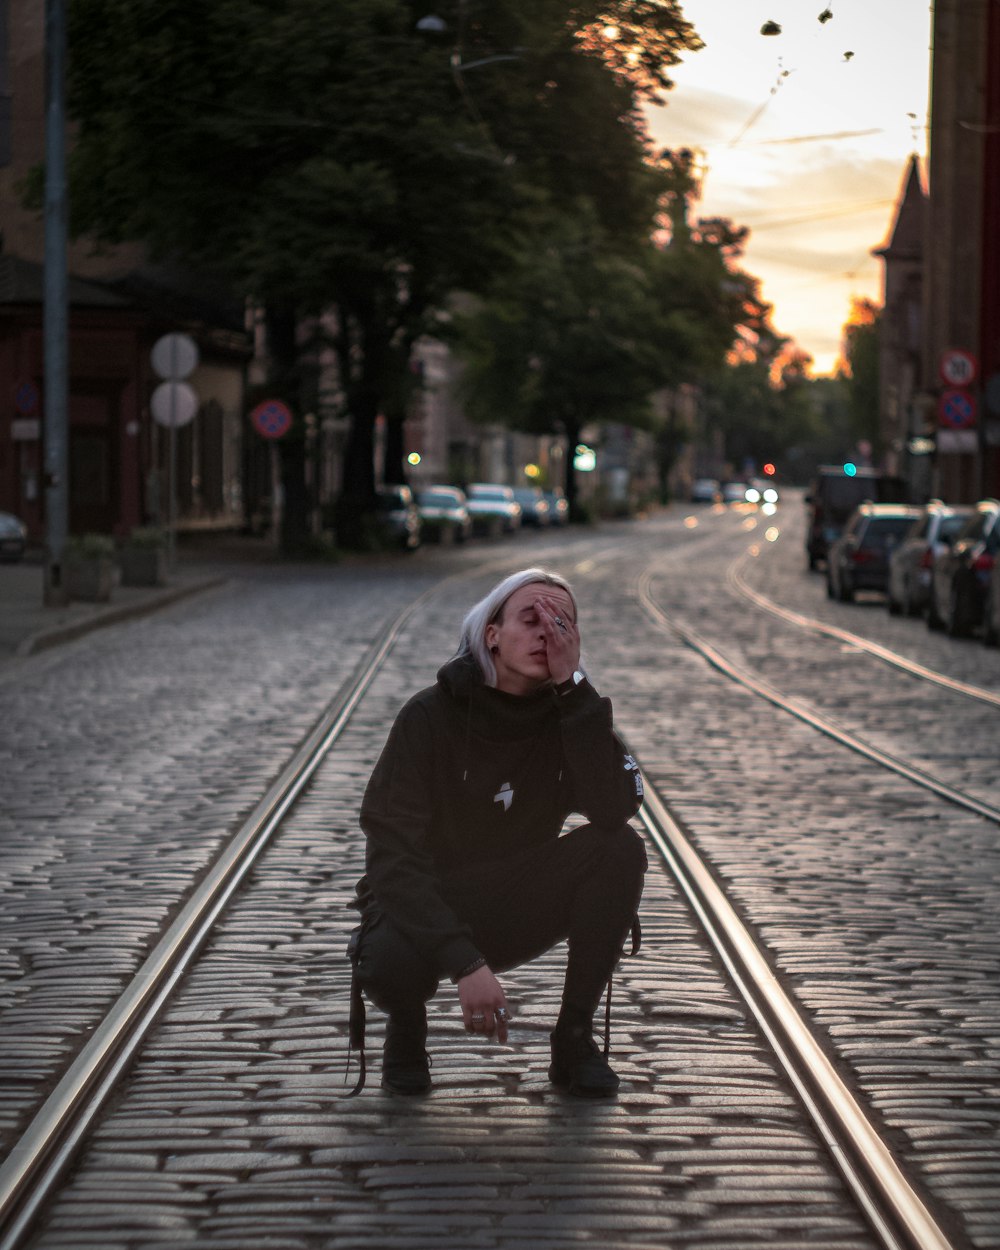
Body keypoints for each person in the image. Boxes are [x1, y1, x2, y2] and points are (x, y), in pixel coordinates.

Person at [346, 567, 646, 1098]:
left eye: (561, 624)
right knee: (389, 960)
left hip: (514, 897)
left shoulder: (569, 716)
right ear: (491, 633)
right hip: (428, 903)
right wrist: (465, 963)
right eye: (530, 619)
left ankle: (573, 1039)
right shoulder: (428, 716)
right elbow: (391, 859)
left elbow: (612, 809)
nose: (546, 635)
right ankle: (407, 1030)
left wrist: (576, 691)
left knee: (618, 850)